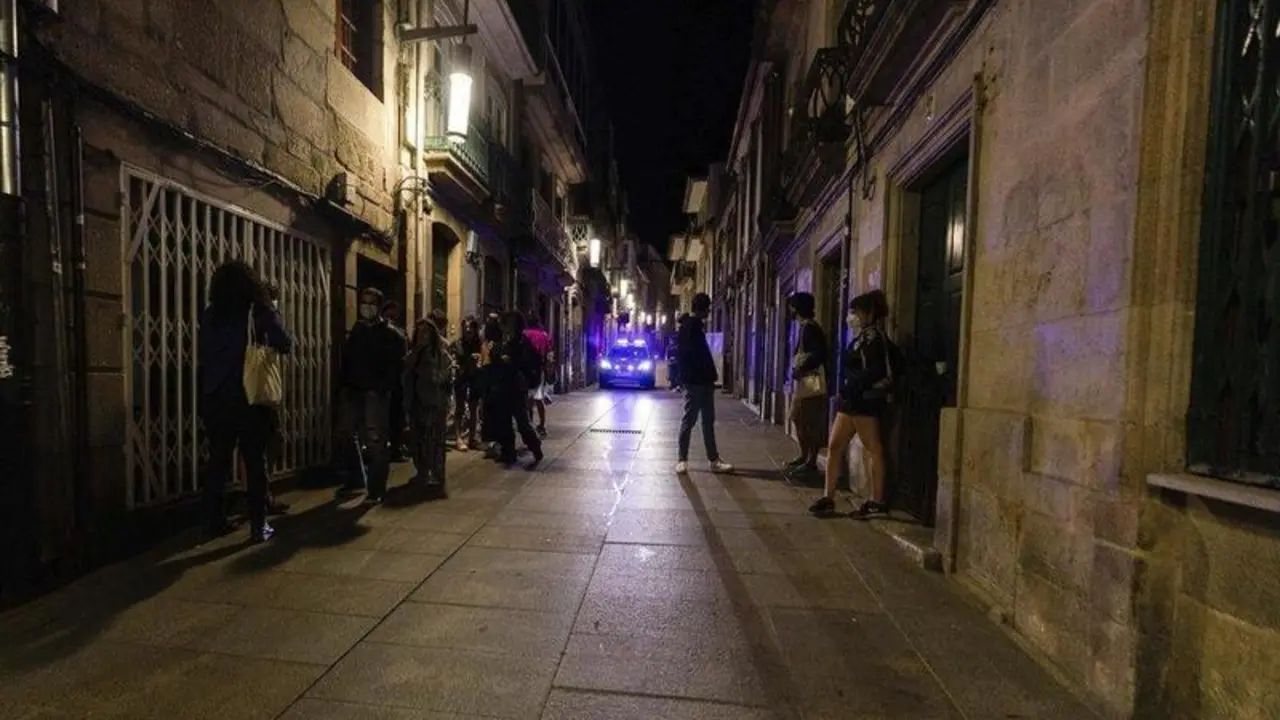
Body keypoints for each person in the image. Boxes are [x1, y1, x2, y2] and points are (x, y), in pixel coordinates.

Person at [198, 261, 292, 542]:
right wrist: (269, 308)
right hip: (248, 397)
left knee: (218, 460)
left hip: (216, 396)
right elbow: (284, 342)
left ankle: (213, 522)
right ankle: (258, 526)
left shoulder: (211, 314)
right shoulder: (257, 311)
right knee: (255, 461)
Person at [810, 290, 891, 517]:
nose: (852, 316)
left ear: (869, 313)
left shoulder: (874, 339)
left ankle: (877, 501)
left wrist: (853, 385)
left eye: (856, 312)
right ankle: (828, 497)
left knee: (874, 449)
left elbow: (875, 370)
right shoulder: (861, 337)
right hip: (851, 401)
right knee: (835, 445)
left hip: (864, 401)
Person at [336, 288, 407, 505]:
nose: (366, 307)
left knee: (376, 440)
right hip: (354, 390)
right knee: (346, 433)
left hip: (375, 393)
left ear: (379, 307)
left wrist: (382, 388)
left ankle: (376, 489)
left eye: (371, 303)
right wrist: (344, 385)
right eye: (364, 302)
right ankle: (357, 478)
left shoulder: (391, 334)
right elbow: (347, 359)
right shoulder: (358, 330)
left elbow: (396, 367)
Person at [675, 293, 733, 474]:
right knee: (693, 420)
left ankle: (710, 459)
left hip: (702, 381)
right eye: (707, 308)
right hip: (697, 382)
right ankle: (685, 459)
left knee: (703, 421)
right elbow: (688, 356)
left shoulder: (692, 327)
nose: (709, 312)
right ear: (703, 309)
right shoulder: (690, 328)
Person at [404, 317, 453, 498]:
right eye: (420, 332)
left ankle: (437, 474)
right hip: (417, 402)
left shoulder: (441, 354)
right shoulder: (413, 354)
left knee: (436, 440)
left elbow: (444, 377)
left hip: (436, 403)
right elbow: (405, 373)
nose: (423, 335)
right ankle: (422, 471)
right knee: (418, 440)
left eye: (426, 331)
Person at [785, 292, 829, 476]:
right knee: (798, 417)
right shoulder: (805, 327)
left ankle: (810, 460)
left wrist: (802, 367)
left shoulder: (810, 328)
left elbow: (819, 353)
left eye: (792, 306)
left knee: (806, 419)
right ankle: (804, 456)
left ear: (797, 308)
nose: (790, 310)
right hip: (805, 380)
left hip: (810, 381)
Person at [494, 311, 544, 468]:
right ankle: (508, 453)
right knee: (504, 421)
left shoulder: (522, 342)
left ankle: (536, 448)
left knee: (522, 422)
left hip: (516, 387)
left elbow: (526, 362)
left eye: (509, 323)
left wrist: (510, 362)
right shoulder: (506, 340)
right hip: (505, 385)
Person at [260, 283, 290, 516]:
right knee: (270, 440)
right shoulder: (266, 314)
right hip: (259, 389)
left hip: (229, 389)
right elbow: (284, 342)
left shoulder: (221, 313)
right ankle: (262, 498)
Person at [382, 300, 410, 462]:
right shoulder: (381, 330)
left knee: (396, 416)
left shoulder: (398, 331)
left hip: (396, 379)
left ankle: (395, 447)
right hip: (385, 379)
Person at [452, 315, 482, 450]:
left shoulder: (480, 344)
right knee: (460, 408)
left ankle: (472, 438)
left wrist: (479, 358)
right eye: (466, 327)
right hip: (462, 377)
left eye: (470, 327)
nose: (468, 329)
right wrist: (456, 364)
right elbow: (453, 358)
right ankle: (458, 438)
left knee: (474, 408)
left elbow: (485, 359)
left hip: (475, 378)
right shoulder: (458, 343)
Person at [523, 313, 552, 436]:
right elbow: (549, 355)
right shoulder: (544, 335)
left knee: (527, 398)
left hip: (525, 370)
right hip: (539, 370)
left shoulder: (524, 334)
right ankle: (542, 425)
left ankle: (529, 423)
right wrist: (549, 370)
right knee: (539, 398)